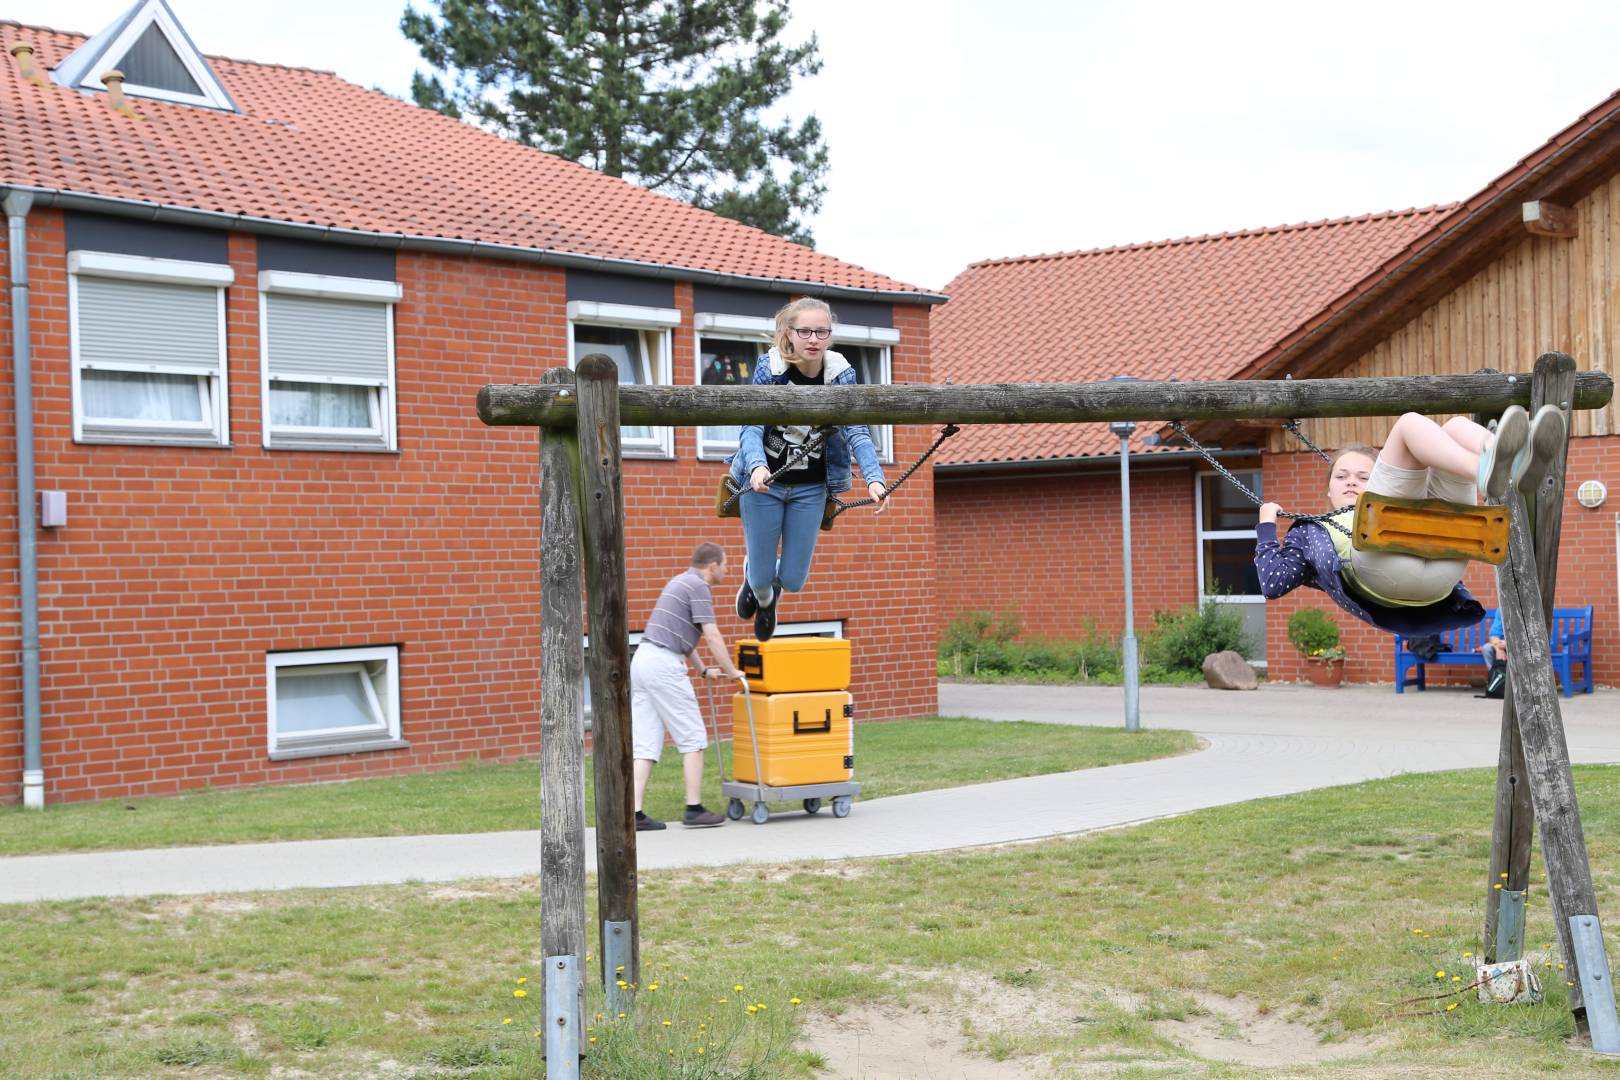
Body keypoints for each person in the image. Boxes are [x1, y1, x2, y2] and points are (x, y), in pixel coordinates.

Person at [1255, 404, 1566, 637]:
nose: (1351, 482)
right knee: (1408, 424)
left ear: (1377, 480)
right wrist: (1267, 524)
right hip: (1381, 572)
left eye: (1364, 476)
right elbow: (1272, 584)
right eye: (1341, 476)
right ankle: (1489, 467)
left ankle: (1510, 460)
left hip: (1443, 570)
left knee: (1457, 426)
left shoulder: (1394, 497)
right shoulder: (1312, 532)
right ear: (1328, 488)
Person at [727, 298, 890, 641]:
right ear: (790, 333)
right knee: (760, 578)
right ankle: (761, 593)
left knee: (794, 580)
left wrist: (874, 480)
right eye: (805, 331)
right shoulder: (770, 368)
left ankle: (772, 593)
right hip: (765, 485)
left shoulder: (840, 373)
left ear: (830, 334)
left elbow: (856, 430)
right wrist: (756, 466)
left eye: (821, 331)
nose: (813, 338)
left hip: (811, 488)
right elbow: (752, 425)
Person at [631, 543, 744, 831]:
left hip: (643, 660)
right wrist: (732, 671)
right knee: (693, 738)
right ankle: (694, 809)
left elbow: (682, 636)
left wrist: (703, 670)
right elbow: (711, 634)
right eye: (725, 564)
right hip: (663, 666)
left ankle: (632, 814)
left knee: (645, 744)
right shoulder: (698, 587)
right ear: (712, 566)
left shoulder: (679, 581)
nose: (727, 570)